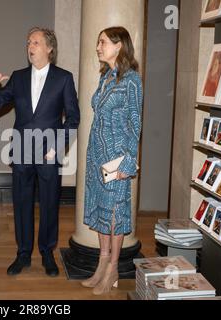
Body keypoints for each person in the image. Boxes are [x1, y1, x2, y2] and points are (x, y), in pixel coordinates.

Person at [0, 27, 80, 277]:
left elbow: (73, 118)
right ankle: (23, 254)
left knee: (50, 205)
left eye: (36, 42)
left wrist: (58, 146)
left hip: (50, 153)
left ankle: (48, 254)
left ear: (49, 48)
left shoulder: (64, 78)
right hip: (22, 152)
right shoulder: (17, 77)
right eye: (28, 42)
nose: (30, 46)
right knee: (22, 204)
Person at [82, 26, 143, 295]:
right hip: (97, 154)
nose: (98, 47)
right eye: (98, 42)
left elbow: (136, 124)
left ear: (119, 46)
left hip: (117, 158)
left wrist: (128, 164)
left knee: (115, 214)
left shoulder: (132, 80)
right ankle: (102, 263)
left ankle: (114, 268)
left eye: (103, 42)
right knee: (101, 211)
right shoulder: (106, 77)